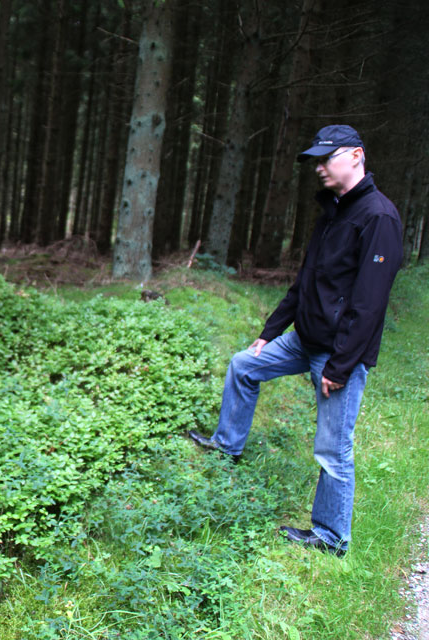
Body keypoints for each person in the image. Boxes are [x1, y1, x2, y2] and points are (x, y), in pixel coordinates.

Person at [187, 124, 403, 557]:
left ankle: (330, 537)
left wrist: (341, 365)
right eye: (316, 160)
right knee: (243, 366)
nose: (319, 167)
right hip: (304, 337)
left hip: (339, 351)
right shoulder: (334, 210)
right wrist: (270, 332)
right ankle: (227, 445)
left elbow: (370, 303)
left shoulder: (378, 216)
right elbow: (305, 282)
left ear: (357, 156)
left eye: (327, 158)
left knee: (332, 447)